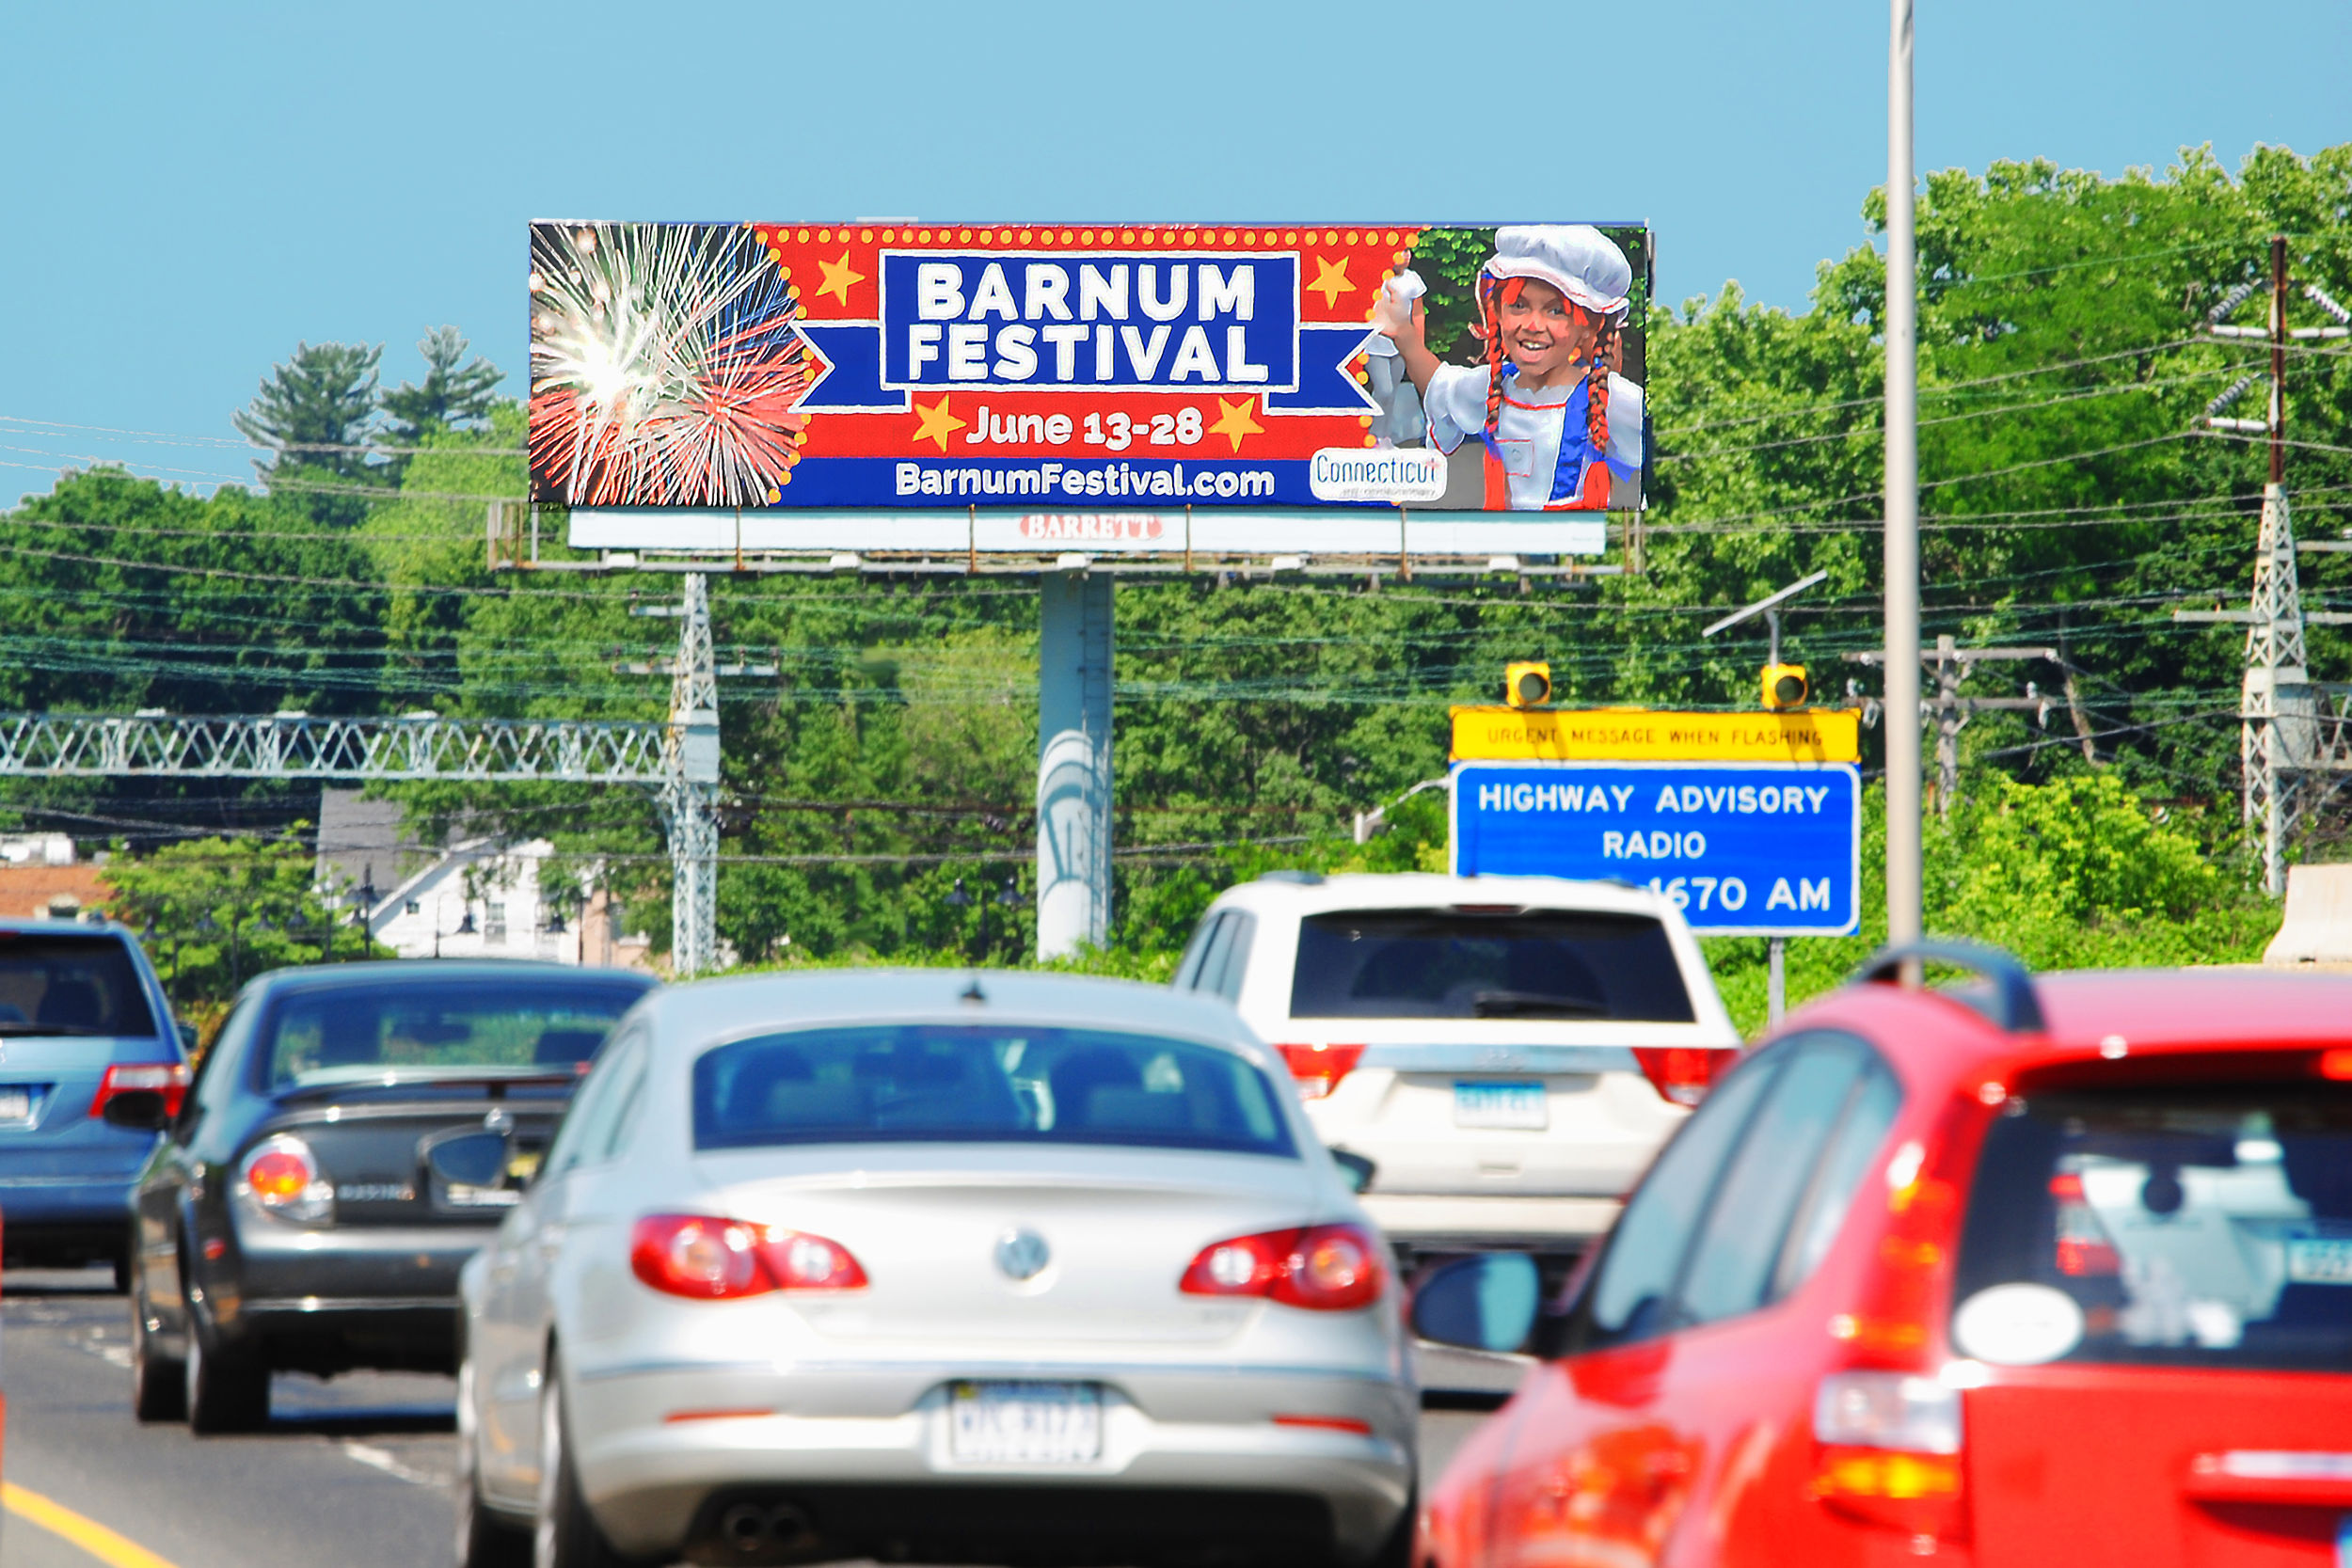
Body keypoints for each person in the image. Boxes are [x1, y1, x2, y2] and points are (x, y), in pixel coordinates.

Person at [1371, 226, 1643, 511]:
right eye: (1518, 306)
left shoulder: (1613, 401)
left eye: (1555, 311)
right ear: (1497, 313)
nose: (1533, 326)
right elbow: (1441, 387)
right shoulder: (1494, 387)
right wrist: (1403, 334)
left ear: (1587, 326)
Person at [1362, 267, 1426, 446]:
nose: (1405, 256)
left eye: (1408, 251)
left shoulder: (1413, 279)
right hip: (1376, 345)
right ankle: (1372, 435)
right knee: (1384, 390)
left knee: (1392, 394)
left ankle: (1385, 437)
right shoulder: (1376, 275)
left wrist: (1417, 344)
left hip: (1400, 347)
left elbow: (1418, 313)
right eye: (1402, 251)